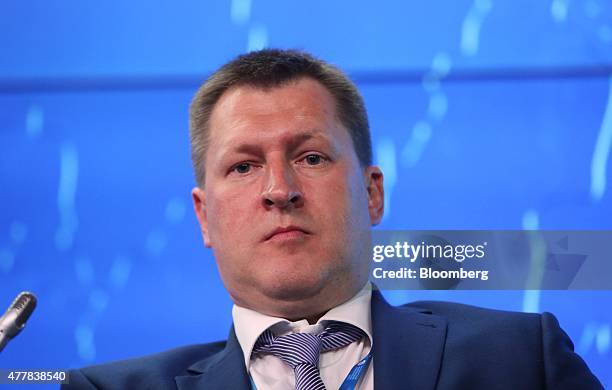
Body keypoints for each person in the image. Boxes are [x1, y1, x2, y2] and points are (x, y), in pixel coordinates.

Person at [63, 49, 603, 389]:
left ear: (372, 194)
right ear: (204, 217)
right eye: (245, 166)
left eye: (311, 158)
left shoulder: (520, 358)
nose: (280, 190)